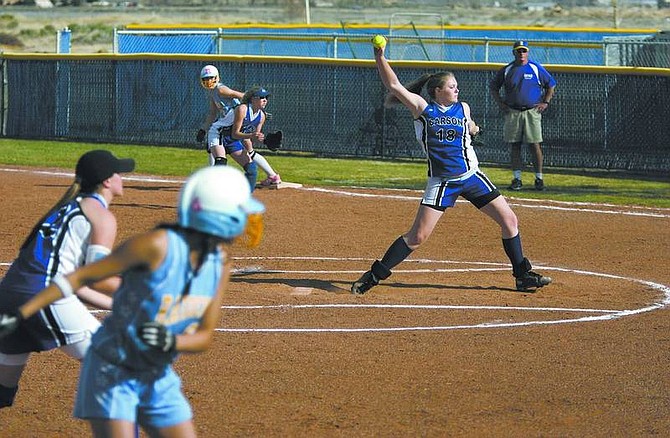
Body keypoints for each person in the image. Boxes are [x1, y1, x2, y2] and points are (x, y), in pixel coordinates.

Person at [0, 166, 265, 436]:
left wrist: (170, 342)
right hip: (112, 369)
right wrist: (22, 313)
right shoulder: (156, 245)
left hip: (158, 374)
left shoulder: (219, 264)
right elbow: (78, 278)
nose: (247, 218)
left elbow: (204, 336)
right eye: (240, 210)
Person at [351, 41, 552, 295]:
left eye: (456, 86)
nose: (457, 89)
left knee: (510, 220)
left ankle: (522, 276)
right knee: (417, 237)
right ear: (437, 91)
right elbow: (393, 86)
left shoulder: (463, 107)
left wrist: (474, 129)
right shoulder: (423, 109)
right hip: (442, 182)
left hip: (471, 176)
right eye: (451, 86)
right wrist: (379, 56)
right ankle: (374, 275)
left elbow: (469, 124)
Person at [0, 149, 135, 409]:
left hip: (8, 296)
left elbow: (76, 282)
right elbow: (97, 278)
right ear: (107, 181)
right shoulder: (101, 216)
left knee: (2, 393)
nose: (122, 177)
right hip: (42, 296)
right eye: (118, 172)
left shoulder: (64, 210)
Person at [196, 65, 281, 188]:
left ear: (217, 77)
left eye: (211, 78)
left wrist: (254, 108)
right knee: (220, 147)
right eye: (205, 79)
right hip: (231, 123)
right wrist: (203, 129)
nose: (208, 81)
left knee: (247, 151)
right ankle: (272, 175)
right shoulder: (212, 93)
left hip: (239, 121)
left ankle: (272, 175)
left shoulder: (220, 89)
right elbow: (213, 113)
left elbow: (241, 95)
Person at [490, 40, 556, 191]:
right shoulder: (507, 70)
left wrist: (545, 102)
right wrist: (501, 104)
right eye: (519, 51)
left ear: (528, 52)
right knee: (515, 145)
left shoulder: (535, 67)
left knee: (534, 144)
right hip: (513, 111)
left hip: (531, 112)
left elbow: (551, 84)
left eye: (524, 51)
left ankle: (539, 178)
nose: (521, 54)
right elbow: (493, 87)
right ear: (514, 52)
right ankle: (517, 178)